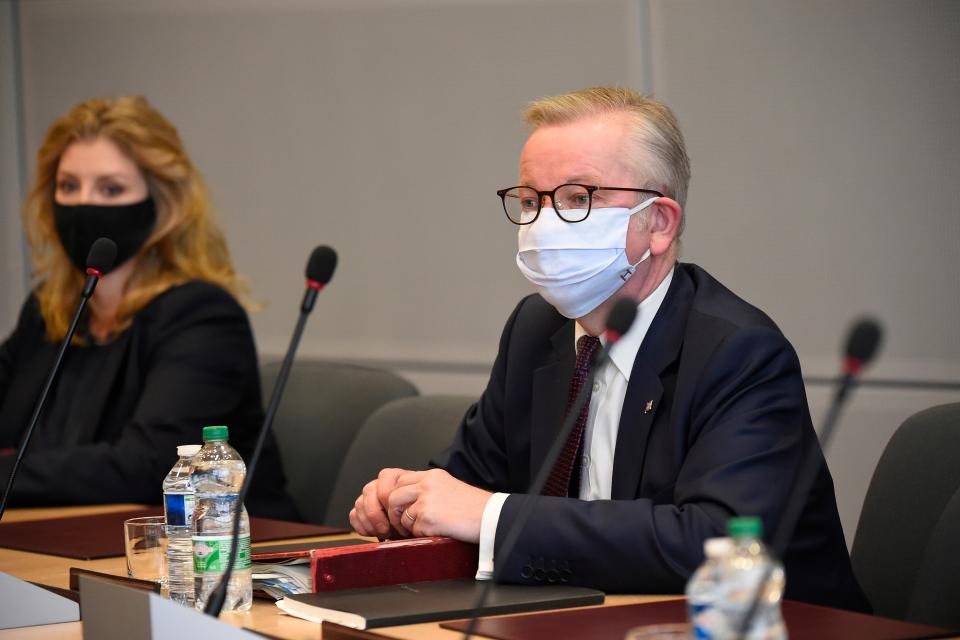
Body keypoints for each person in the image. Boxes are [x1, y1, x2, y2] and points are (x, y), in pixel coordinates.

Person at [350, 87, 869, 611]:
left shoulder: (739, 351)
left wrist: (488, 516)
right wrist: (405, 503)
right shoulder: (537, 331)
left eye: (579, 198)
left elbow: (714, 545)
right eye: (531, 201)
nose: (545, 224)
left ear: (659, 224)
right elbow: (467, 483)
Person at [0, 95, 297, 519]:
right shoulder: (49, 310)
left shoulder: (203, 317)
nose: (85, 205)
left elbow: (149, 466)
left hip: (217, 559)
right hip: (69, 541)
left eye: (111, 188)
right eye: (69, 186)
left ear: (163, 204)